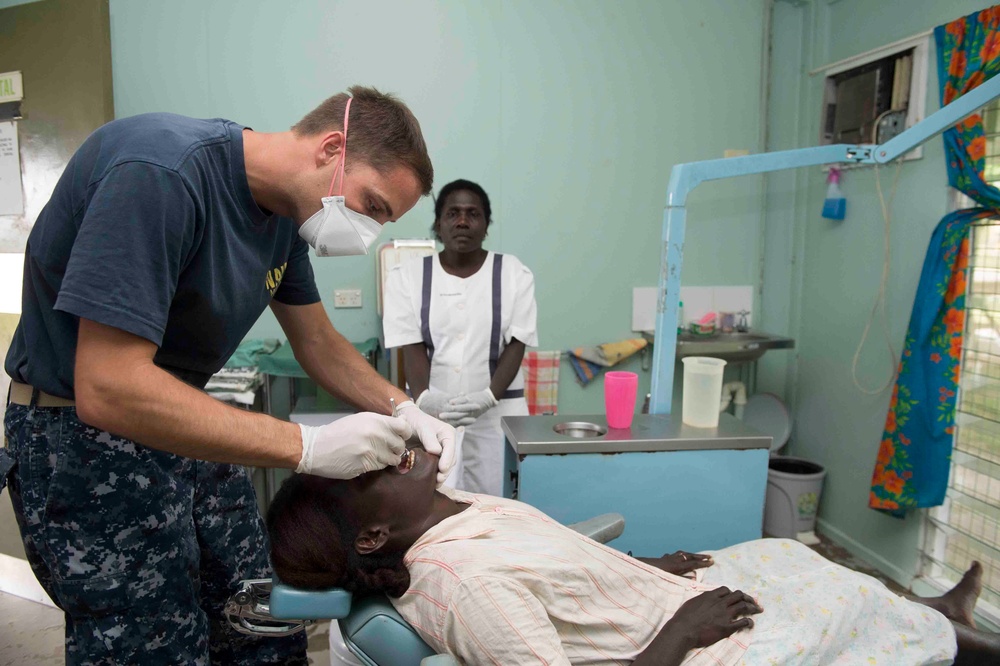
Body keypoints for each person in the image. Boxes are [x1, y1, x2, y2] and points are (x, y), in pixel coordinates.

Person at [1, 86, 457, 665]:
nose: (368, 231)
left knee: (261, 616)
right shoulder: (162, 173)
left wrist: (405, 409)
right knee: (153, 644)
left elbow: (317, 342)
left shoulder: (284, 218)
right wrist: (307, 445)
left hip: (182, 421)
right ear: (331, 148)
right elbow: (108, 385)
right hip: (81, 441)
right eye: (372, 205)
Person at [268, 443, 1000, 666]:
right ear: (369, 538)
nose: (389, 454)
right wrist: (682, 631)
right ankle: (960, 640)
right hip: (668, 649)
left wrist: (643, 565)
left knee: (785, 552)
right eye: (369, 472)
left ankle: (930, 609)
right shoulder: (466, 586)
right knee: (851, 601)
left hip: (645, 598)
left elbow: (548, 561)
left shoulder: (452, 508)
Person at [382, 179, 537, 495]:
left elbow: (517, 344)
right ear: (438, 224)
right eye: (452, 213)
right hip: (433, 415)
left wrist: (488, 397)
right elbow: (411, 348)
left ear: (486, 225)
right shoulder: (407, 278)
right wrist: (426, 398)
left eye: (473, 214)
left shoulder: (514, 274)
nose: (463, 221)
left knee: (501, 504)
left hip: (499, 417)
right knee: (434, 501)